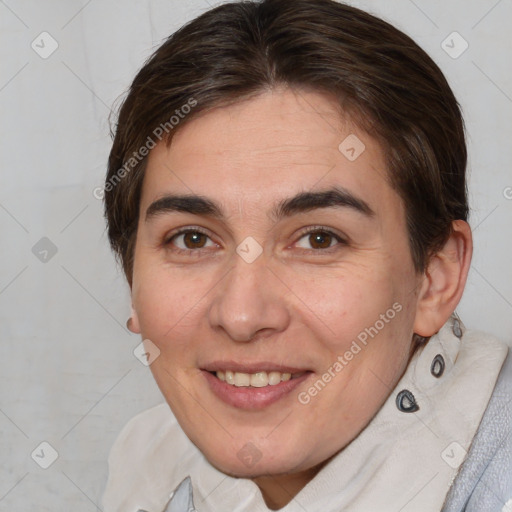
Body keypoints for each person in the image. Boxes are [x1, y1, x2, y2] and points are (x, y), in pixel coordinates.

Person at [100, 0, 512, 510]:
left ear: (435, 277)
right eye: (192, 239)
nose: (242, 315)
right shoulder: (145, 461)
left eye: (319, 239)